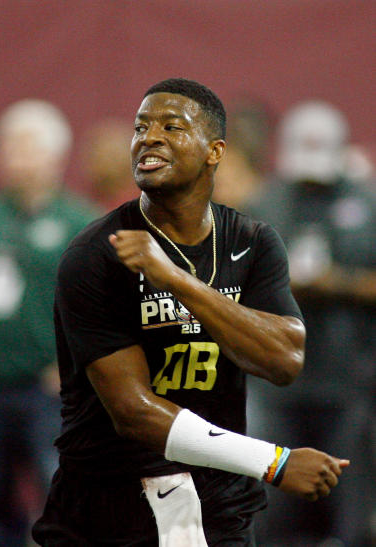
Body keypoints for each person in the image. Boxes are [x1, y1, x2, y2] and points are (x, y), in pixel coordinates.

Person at [32, 79, 349, 547]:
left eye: (171, 126)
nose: (149, 137)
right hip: (112, 505)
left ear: (214, 151)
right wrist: (274, 462)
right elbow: (133, 412)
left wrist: (179, 281)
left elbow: (284, 360)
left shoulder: (253, 241)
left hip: (219, 502)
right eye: (141, 127)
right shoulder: (96, 253)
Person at [0, 99, 101, 547]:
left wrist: (72, 368)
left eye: (26, 147)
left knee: (57, 492)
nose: (14, 157)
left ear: (55, 155)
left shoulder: (79, 222)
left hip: (49, 391)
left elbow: (98, 310)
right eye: (8, 146)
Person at [246, 100, 376, 546]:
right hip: (279, 383)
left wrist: (339, 284)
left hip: (349, 380)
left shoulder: (366, 202)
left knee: (348, 502)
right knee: (274, 502)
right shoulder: (265, 202)